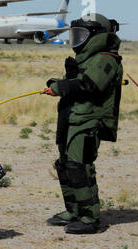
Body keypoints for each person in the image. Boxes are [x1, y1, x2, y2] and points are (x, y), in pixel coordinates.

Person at [42, 13, 124, 234]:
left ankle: (90, 218)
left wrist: (63, 86)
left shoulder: (106, 59)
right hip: (71, 118)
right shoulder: (85, 59)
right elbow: (77, 84)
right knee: (65, 165)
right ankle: (74, 211)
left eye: (82, 35)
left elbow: (90, 85)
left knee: (81, 167)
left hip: (89, 121)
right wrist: (63, 80)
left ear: (96, 36)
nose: (77, 39)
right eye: (75, 34)